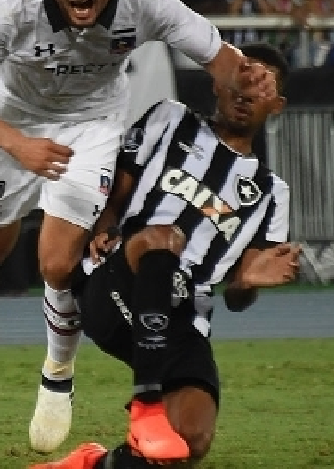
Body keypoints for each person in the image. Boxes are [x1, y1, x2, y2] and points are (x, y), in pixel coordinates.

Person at [0, 0, 276, 453]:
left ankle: (57, 375)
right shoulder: (12, 9)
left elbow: (217, 57)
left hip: (93, 124)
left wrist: (249, 74)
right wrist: (17, 144)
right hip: (14, 121)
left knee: (56, 261)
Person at [30, 43, 298, 469]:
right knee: (162, 238)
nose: (246, 93)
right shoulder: (170, 118)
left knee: (188, 442)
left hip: (182, 322)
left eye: (261, 88)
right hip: (118, 285)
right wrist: (106, 226)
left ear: (277, 105)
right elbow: (118, 185)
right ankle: (147, 405)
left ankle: (90, 463)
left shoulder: (271, 194)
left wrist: (246, 284)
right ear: (220, 80)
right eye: (241, 79)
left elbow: (235, 297)